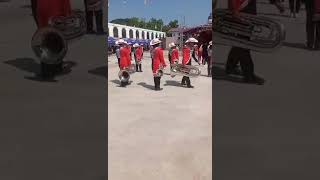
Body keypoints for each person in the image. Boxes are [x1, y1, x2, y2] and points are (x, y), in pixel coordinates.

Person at [226, 0, 265, 85]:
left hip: (246, 9)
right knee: (243, 44)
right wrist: (234, 10)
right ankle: (249, 75)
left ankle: (231, 67)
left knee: (241, 42)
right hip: (241, 10)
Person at [34, 0, 71, 78]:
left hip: (43, 11)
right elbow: (65, 4)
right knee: (56, 42)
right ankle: (51, 70)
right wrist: (67, 14)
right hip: (55, 13)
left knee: (45, 40)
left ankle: (48, 68)